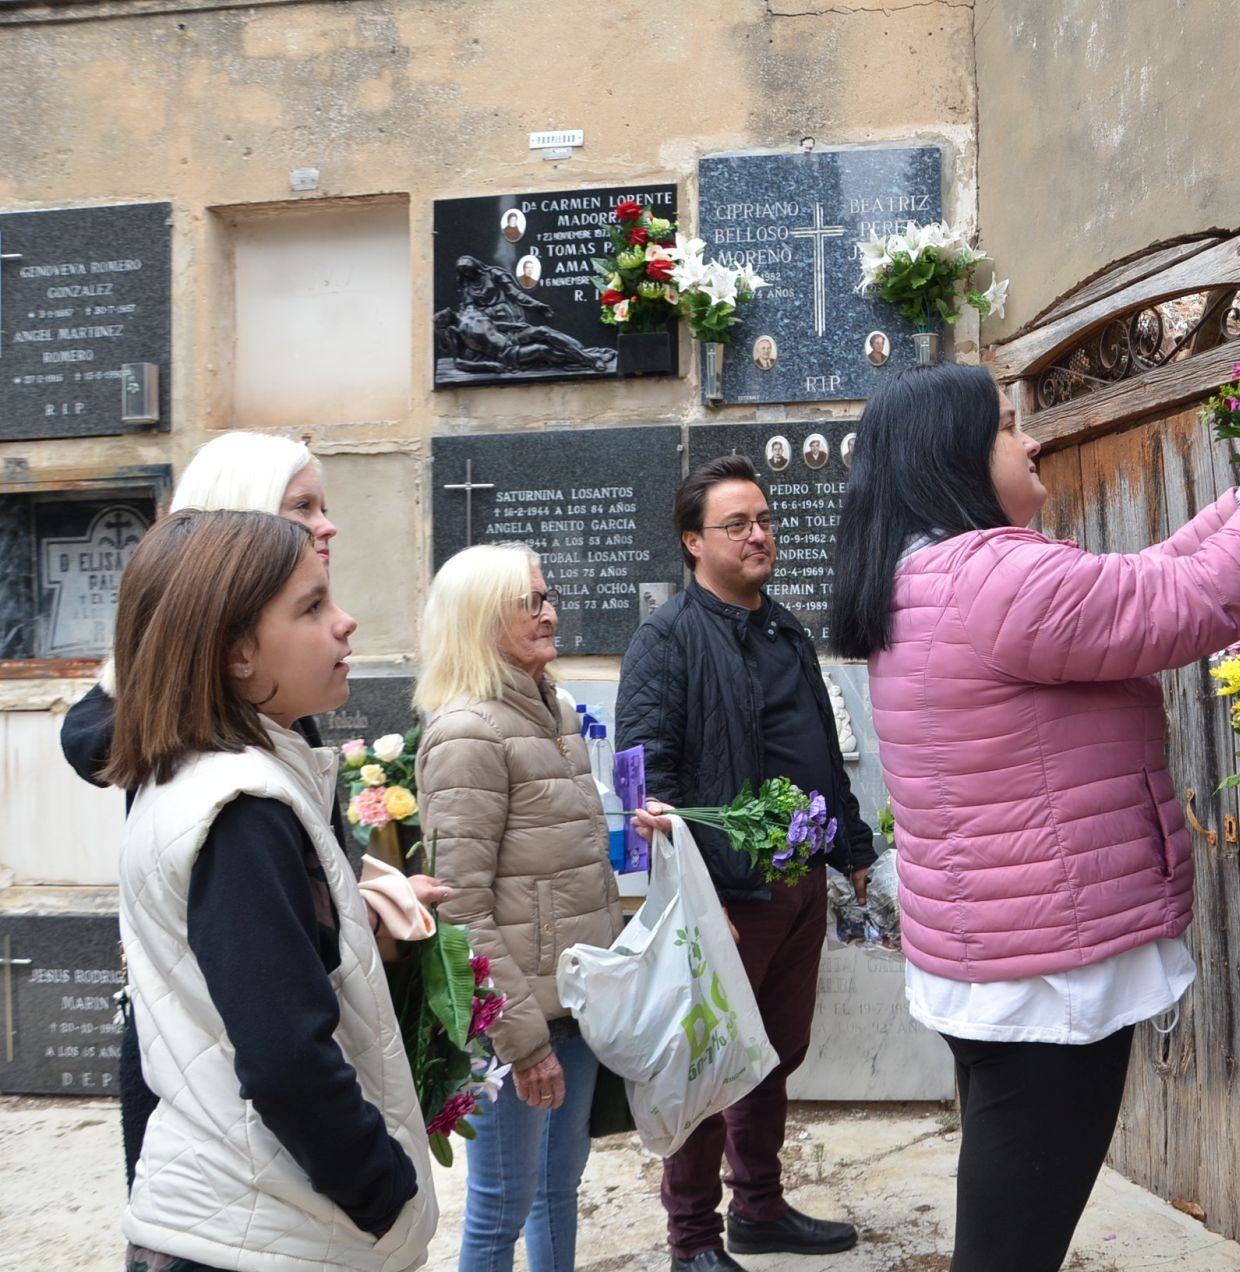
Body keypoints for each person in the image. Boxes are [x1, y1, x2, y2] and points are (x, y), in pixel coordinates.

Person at [827, 362, 1240, 1271]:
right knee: (1011, 1250)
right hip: (1046, 971)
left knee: (1008, 1229)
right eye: (1008, 425)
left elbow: (1138, 579)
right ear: (954, 454)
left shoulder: (930, 571)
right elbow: (1191, 604)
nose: (1031, 439)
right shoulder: (990, 574)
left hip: (1003, 956)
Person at [58, 430, 449, 1192]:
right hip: (229, 1135)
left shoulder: (263, 701)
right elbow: (277, 1049)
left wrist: (355, 893)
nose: (328, 526)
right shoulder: (221, 774)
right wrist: (385, 1191)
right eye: (303, 506)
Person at [108, 509, 438, 1271]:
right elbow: (286, 1058)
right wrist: (381, 1189)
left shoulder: (212, 780)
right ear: (237, 655)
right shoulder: (240, 809)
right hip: (259, 1235)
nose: (346, 622)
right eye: (313, 606)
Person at [616, 456, 875, 1272]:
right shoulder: (667, 638)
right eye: (737, 524)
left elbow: (823, 756)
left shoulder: (784, 626)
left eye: (763, 519)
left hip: (796, 887)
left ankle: (759, 1210)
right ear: (693, 541)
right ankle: (692, 1239)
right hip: (726, 895)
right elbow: (648, 782)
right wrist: (696, 895)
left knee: (771, 1053)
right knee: (707, 1063)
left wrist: (853, 848)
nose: (758, 534)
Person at [414, 544, 638, 1272]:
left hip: (570, 1001)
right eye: (529, 602)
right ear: (482, 620)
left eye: (547, 596)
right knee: (500, 1207)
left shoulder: (557, 712)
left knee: (557, 1191)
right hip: (518, 1022)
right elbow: (462, 909)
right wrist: (522, 1039)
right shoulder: (467, 733)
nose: (550, 613)